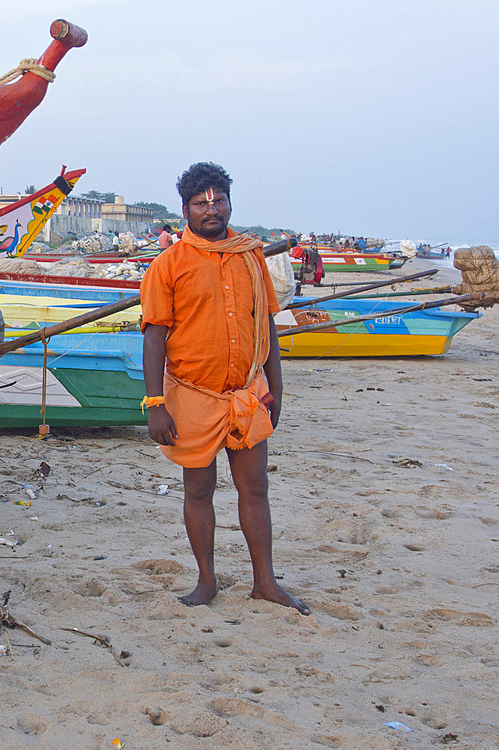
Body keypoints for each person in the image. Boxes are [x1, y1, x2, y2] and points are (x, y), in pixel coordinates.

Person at [140, 162, 309, 615]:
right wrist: (155, 403)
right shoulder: (168, 265)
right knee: (198, 490)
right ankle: (206, 580)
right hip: (191, 395)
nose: (211, 209)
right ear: (185, 210)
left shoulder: (250, 256)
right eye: (201, 203)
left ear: (230, 203)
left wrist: (277, 389)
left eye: (218, 201)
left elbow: (265, 325)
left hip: (248, 393)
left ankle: (265, 582)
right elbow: (154, 335)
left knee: (254, 487)